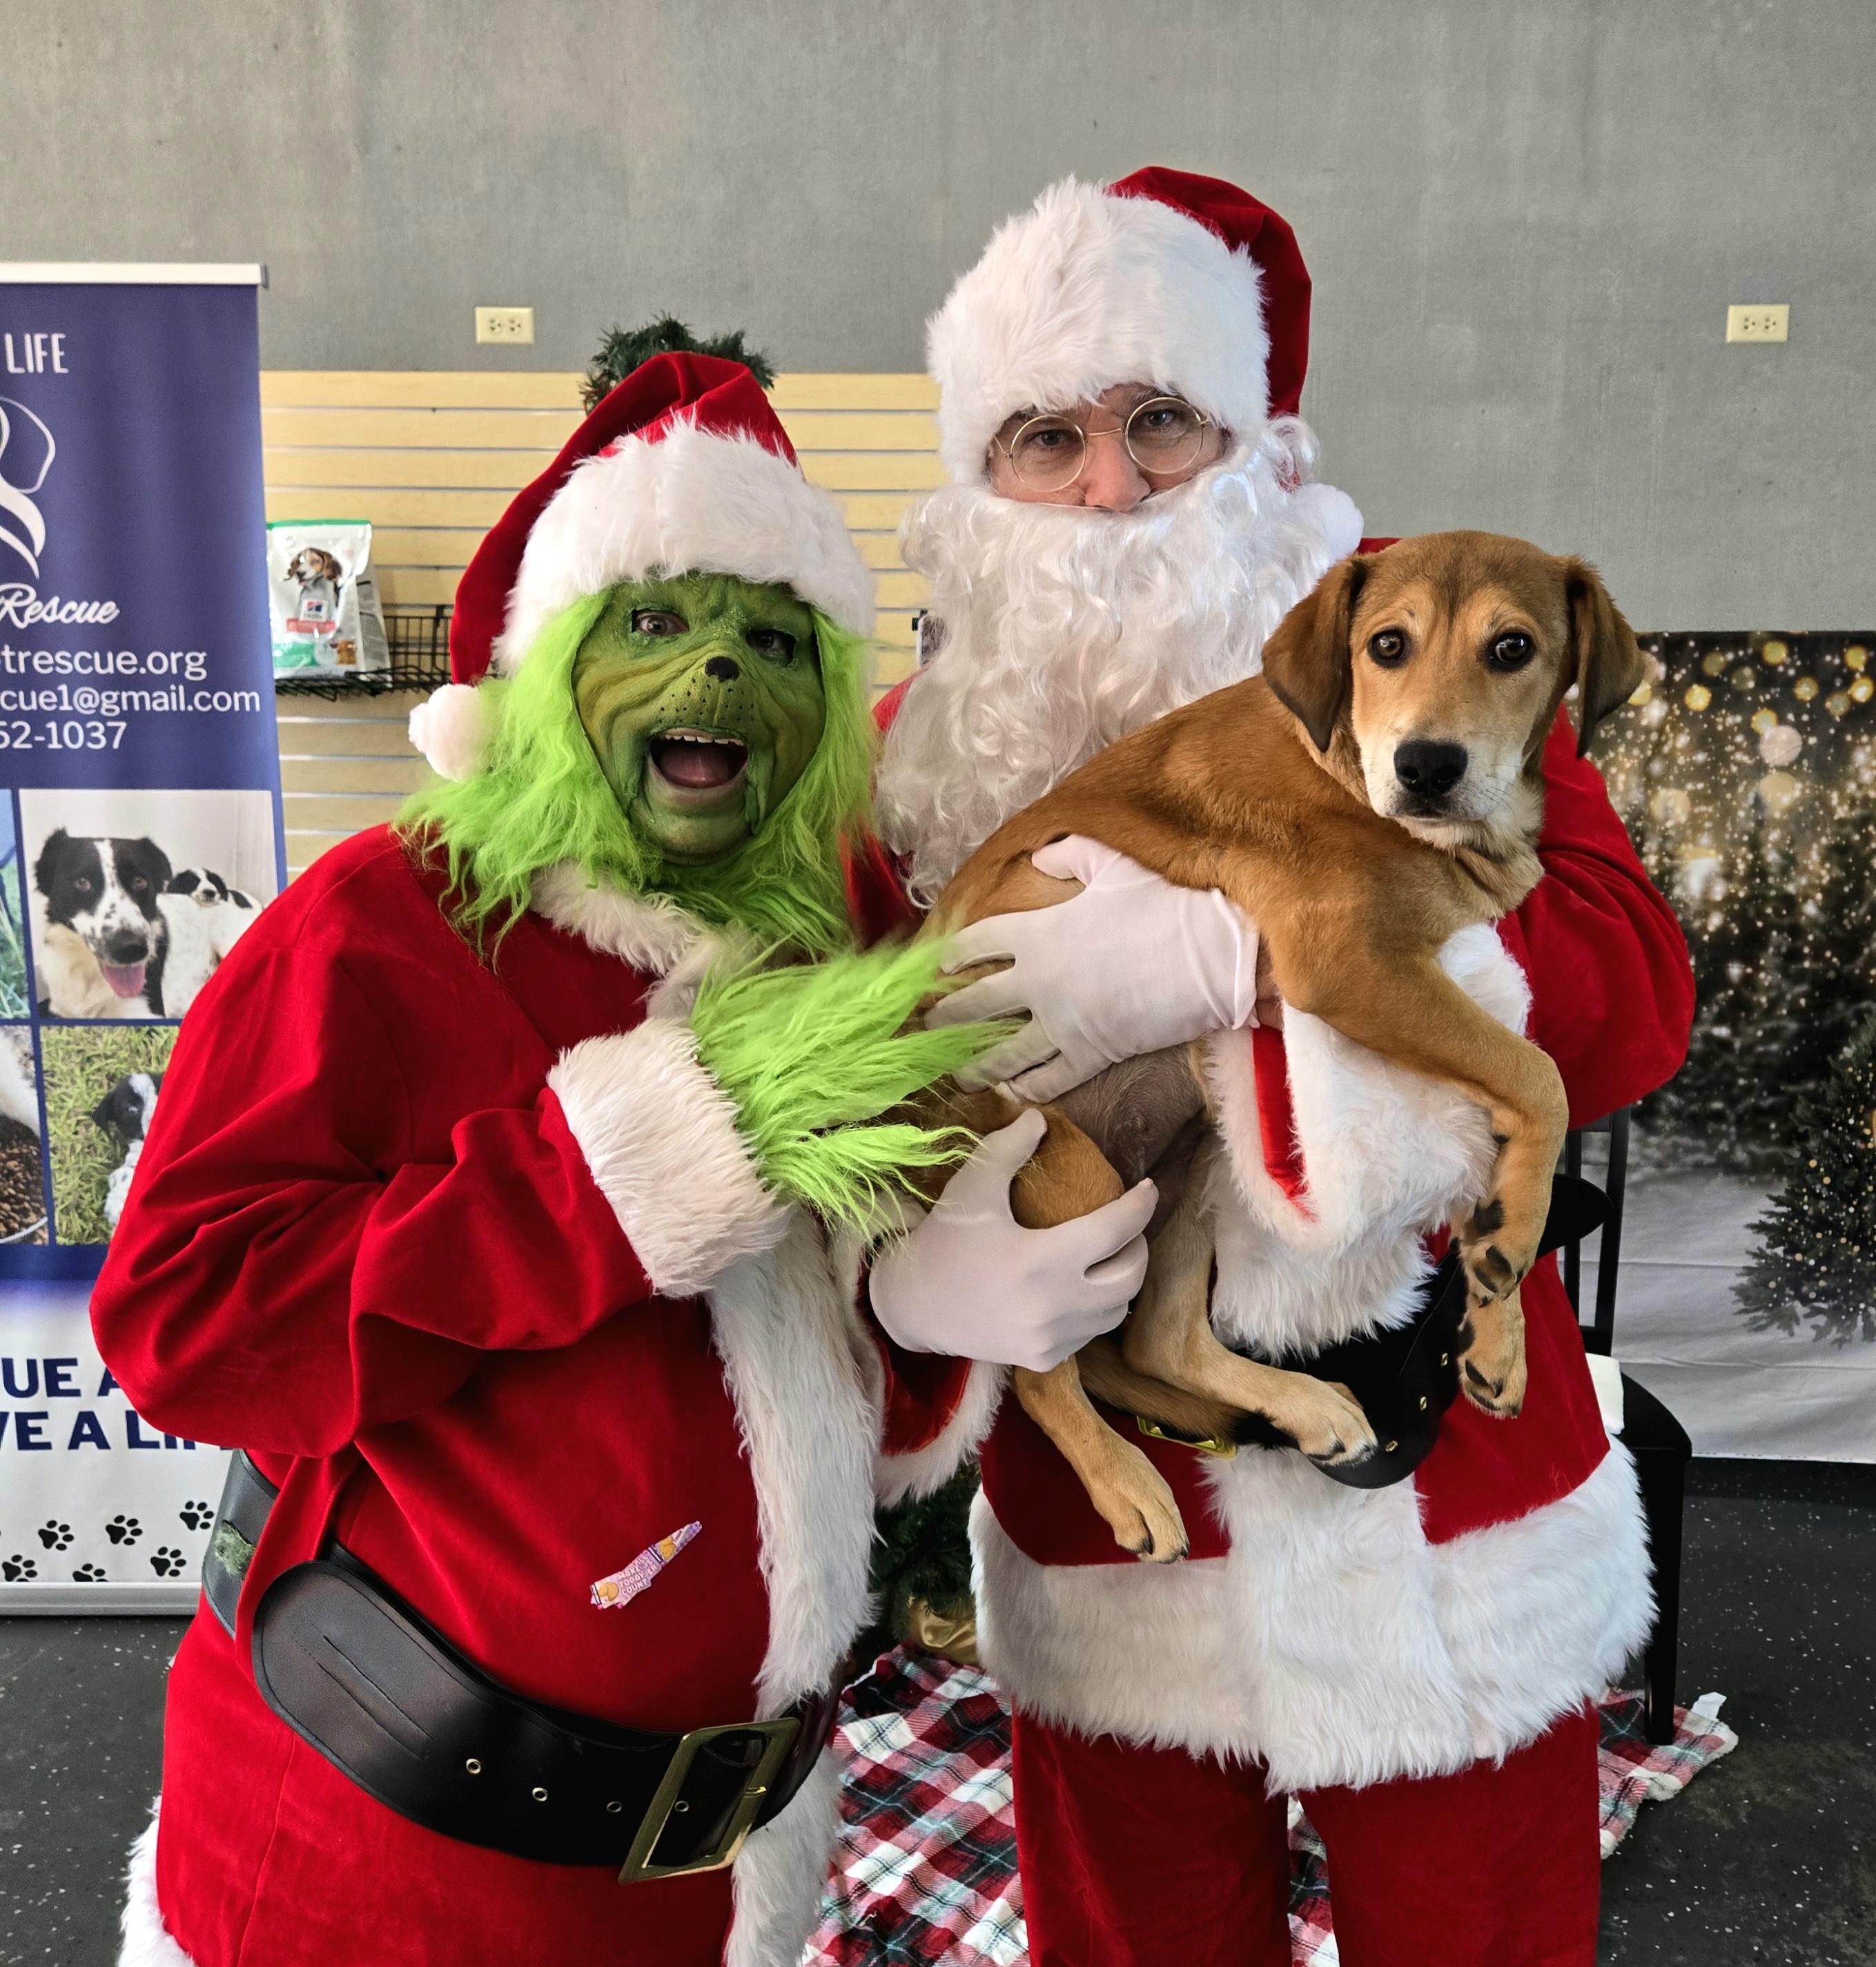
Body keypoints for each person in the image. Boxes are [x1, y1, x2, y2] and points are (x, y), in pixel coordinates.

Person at [90, 353, 1056, 1967]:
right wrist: (628, 1173)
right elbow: (186, 1326)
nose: (721, 678)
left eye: (771, 638)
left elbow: (830, 1403)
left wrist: (930, 1315)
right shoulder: (380, 926)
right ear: (547, 667)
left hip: (733, 1866)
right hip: (385, 1866)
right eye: (658, 624)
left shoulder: (847, 938)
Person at [866, 169, 1696, 1967]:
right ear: (974, 478)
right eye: (1043, 435)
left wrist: (1255, 952)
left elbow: (1629, 993)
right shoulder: (909, 769)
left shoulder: (1435, 683)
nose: (1105, 487)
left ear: (1261, 449)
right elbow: (819, 1109)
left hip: (1443, 1506)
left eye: (1160, 421)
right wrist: (900, 1281)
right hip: (1111, 1532)